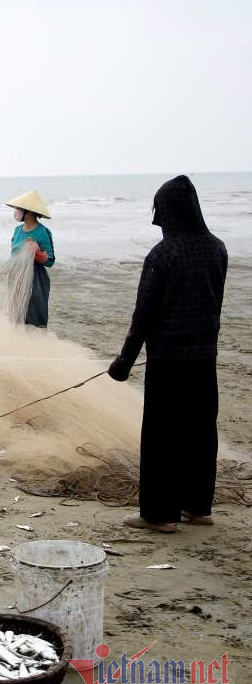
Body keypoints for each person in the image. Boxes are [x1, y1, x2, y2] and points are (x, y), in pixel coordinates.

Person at [109, 176, 227, 533]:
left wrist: (124, 361)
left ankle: (159, 514)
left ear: (168, 212)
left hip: (168, 361)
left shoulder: (163, 254)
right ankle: (198, 507)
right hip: (205, 357)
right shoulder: (218, 248)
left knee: (162, 437)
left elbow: (143, 315)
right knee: (201, 432)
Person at [6, 191, 55, 327]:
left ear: (28, 212)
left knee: (34, 320)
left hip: (35, 279)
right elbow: (14, 257)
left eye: (19, 208)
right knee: (15, 319)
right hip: (16, 276)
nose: (16, 211)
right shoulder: (17, 230)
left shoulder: (42, 232)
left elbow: (50, 261)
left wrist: (37, 253)